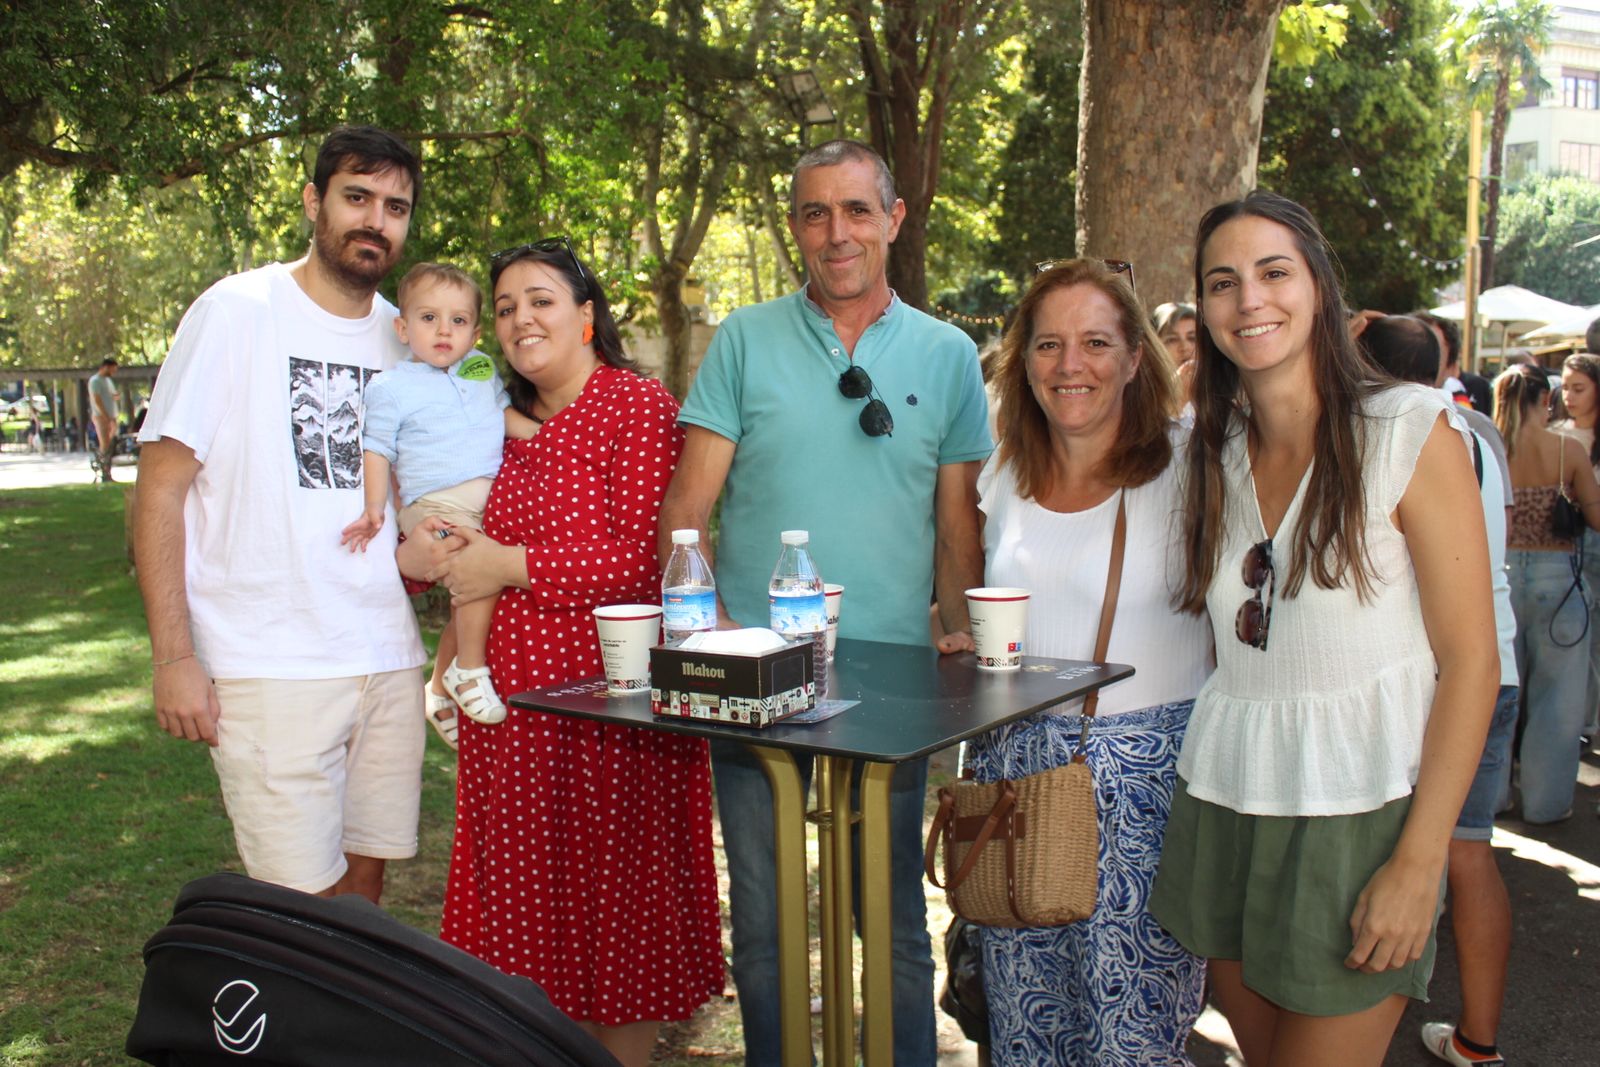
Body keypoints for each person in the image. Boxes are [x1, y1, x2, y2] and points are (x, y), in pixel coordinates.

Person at [657, 139, 992, 1065]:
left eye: (854, 209)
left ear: (892, 218)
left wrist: (961, 640)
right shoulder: (745, 340)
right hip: (754, 677)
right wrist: (706, 634)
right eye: (814, 212)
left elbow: (957, 520)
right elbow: (688, 505)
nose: (834, 232)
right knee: (763, 929)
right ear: (796, 227)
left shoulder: (948, 352)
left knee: (890, 927)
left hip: (892, 685)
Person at [1149, 191, 1499, 1066]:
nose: (1249, 300)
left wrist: (1420, 862)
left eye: (1274, 272)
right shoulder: (1213, 450)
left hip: (1364, 815)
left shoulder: (1409, 431)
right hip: (1227, 800)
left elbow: (1472, 664)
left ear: (1319, 286)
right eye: (1222, 282)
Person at [399, 238, 723, 1067]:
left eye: (539, 299)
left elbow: (645, 555)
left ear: (586, 317)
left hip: (612, 716)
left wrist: (511, 565)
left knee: (616, 919)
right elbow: (454, 531)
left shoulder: (635, 406)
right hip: (510, 723)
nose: (518, 319)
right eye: (504, 308)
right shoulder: (493, 428)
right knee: (520, 928)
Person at [133, 126, 428, 904]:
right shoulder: (235, 311)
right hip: (268, 662)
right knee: (302, 910)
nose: (375, 220)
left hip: (385, 655)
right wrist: (174, 657)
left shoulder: (406, 338)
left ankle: (348, 1032)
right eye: (356, 197)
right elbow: (159, 487)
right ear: (313, 201)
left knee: (366, 888)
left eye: (395, 206)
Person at [958, 260, 1209, 1064]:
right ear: (1021, 358)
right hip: (1015, 779)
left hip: (1144, 791)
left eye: (1096, 342)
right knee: (1025, 1031)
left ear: (1137, 356)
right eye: (1049, 344)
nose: (1071, 366)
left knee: (1131, 1035)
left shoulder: (1193, 462)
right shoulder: (1004, 473)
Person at [1357, 316, 1520, 1067]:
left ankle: (1357, 1030)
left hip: (1445, 675)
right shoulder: (1480, 433)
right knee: (1470, 851)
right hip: (1500, 662)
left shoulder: (1401, 437)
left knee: (1415, 854)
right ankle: (1477, 1038)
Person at [341, 262, 540, 748]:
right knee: (477, 581)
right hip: (436, 501)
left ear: (474, 332)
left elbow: (502, 417)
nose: (444, 331)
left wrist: (548, 438)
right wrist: (375, 510)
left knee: (479, 587)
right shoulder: (392, 388)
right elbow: (378, 448)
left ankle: (438, 685)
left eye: (457, 320)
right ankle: (468, 671)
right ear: (403, 328)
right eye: (429, 319)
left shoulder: (481, 371)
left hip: (485, 501)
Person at [1492, 365, 1600, 824]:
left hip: (1501, 579)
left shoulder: (1490, 448)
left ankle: (1490, 798)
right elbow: (1596, 519)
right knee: (1558, 700)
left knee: (1496, 697)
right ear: (1544, 400)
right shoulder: (1566, 450)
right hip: (1558, 584)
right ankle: (1545, 804)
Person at [1552, 352, 1600, 741]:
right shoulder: (1556, 433)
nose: (1568, 395)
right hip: (1565, 549)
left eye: (1578, 388)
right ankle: (1582, 723)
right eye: (1565, 386)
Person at [87, 358, 119, 481]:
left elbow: (111, 395)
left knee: (110, 444)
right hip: (101, 417)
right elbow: (97, 400)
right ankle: (103, 470)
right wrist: (106, 417)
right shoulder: (95, 381)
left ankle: (107, 471)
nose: (114, 372)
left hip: (112, 417)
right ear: (106, 366)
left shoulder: (108, 381)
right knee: (105, 445)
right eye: (112, 369)